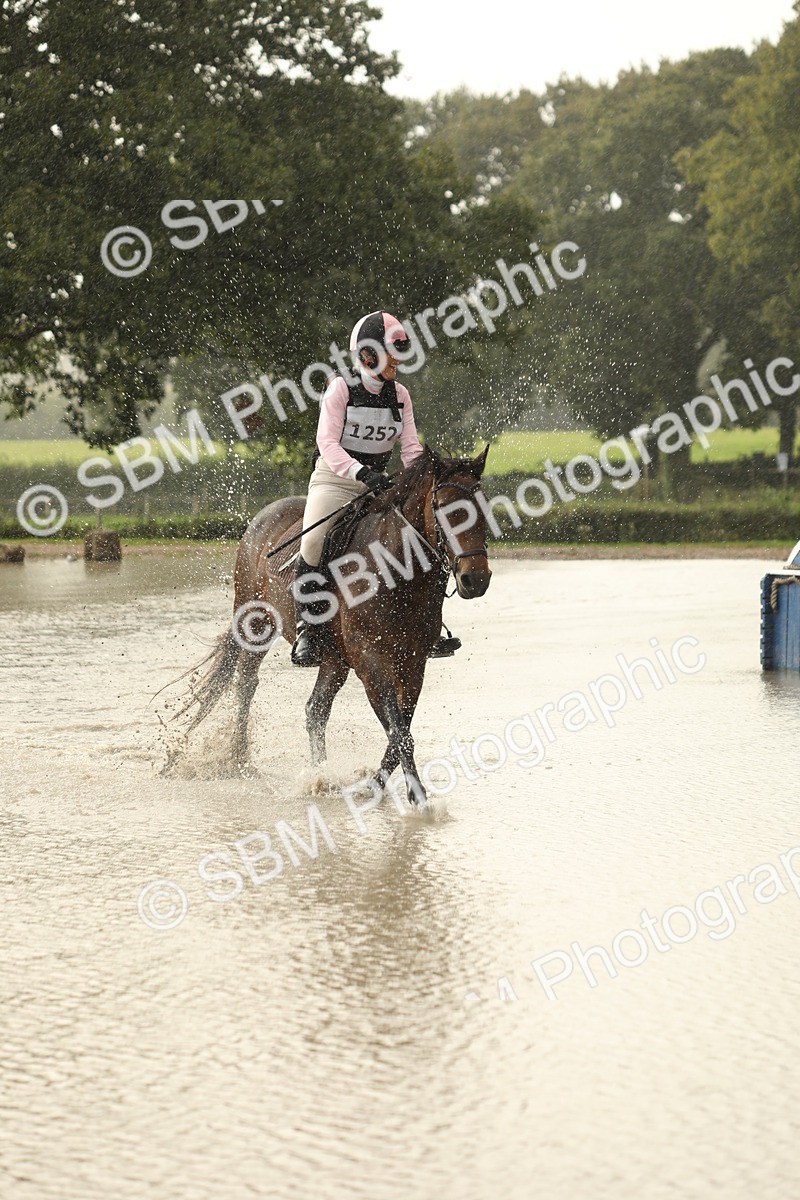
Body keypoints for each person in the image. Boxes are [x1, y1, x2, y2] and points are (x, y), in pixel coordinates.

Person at [290, 309, 460, 667]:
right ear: (369, 354)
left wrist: (426, 479)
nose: (397, 360)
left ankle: (428, 627)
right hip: (335, 478)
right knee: (313, 540)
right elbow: (328, 444)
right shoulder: (340, 388)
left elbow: (411, 449)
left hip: (380, 484)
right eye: (391, 353)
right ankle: (308, 627)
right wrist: (361, 472)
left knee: (416, 536)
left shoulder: (401, 396)